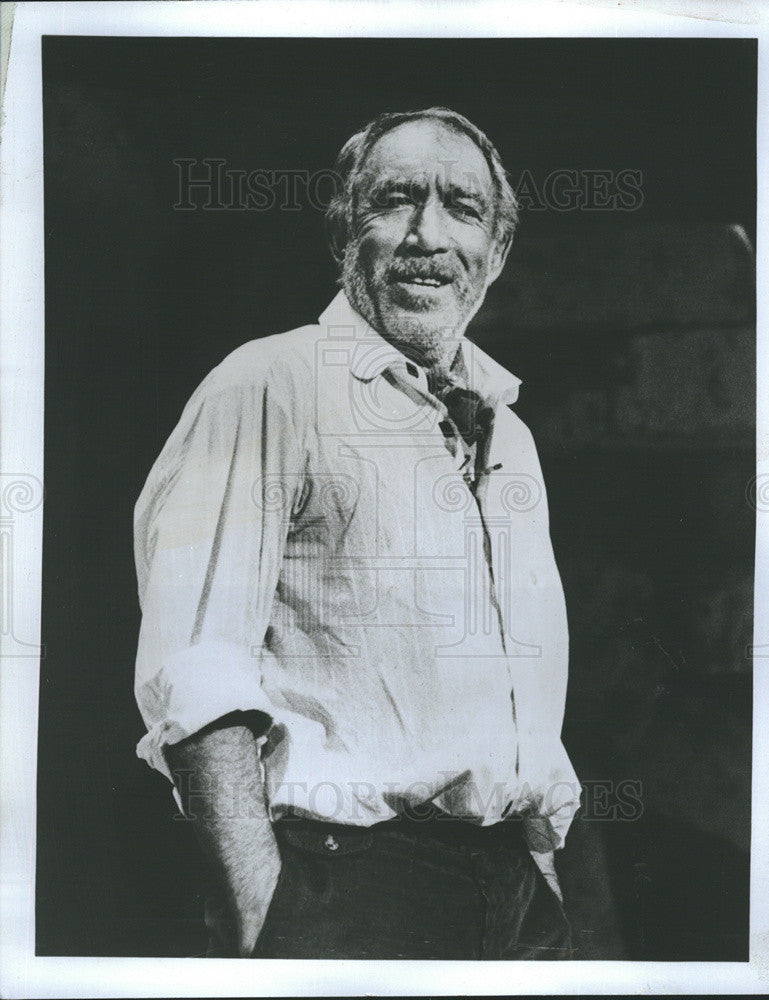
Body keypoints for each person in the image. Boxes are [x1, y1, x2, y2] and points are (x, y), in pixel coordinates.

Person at [133, 107, 581, 959]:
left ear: (498, 251)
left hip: (515, 901)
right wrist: (266, 914)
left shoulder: (508, 435)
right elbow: (195, 669)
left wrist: (541, 879)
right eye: (396, 200)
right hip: (350, 887)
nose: (426, 235)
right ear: (345, 230)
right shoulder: (270, 382)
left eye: (461, 208)